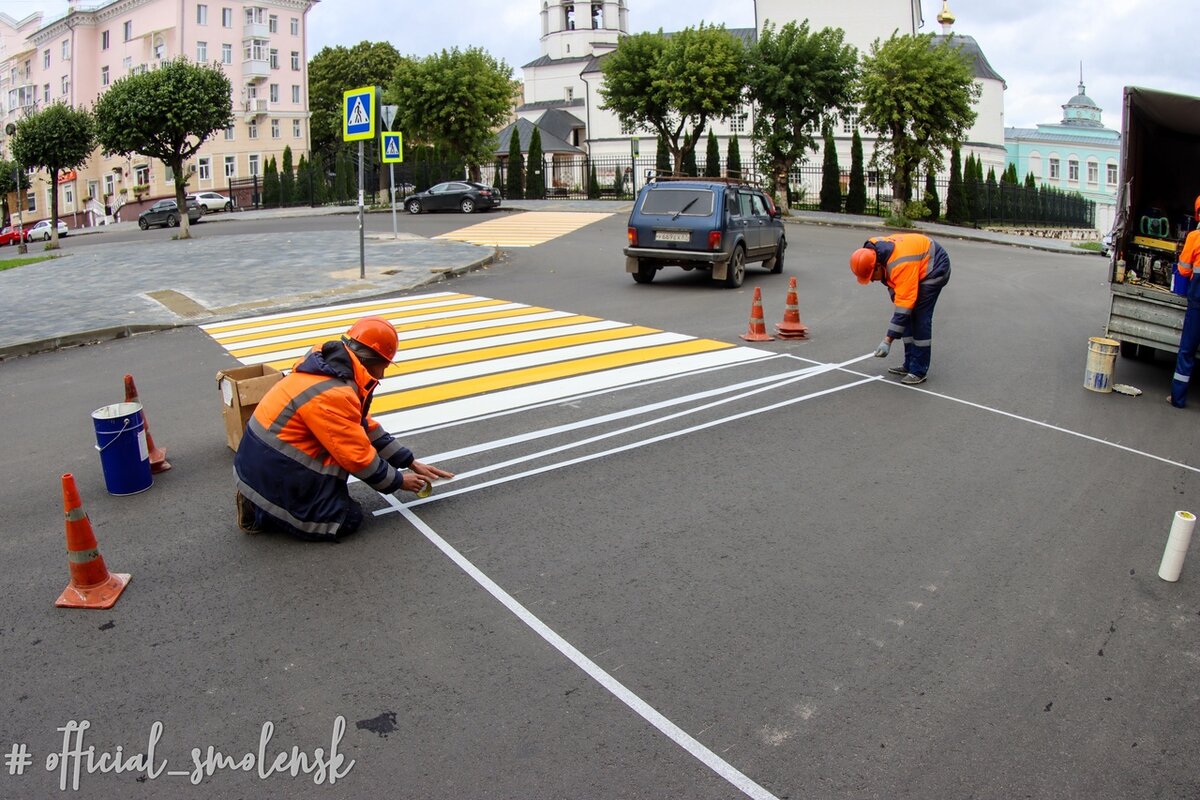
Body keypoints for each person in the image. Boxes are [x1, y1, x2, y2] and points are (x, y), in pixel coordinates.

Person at [234, 316, 454, 541]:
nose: (383, 374)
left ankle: (261, 498)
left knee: (339, 463)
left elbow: (364, 425)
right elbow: (357, 456)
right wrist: (399, 481)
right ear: (372, 359)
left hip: (260, 465)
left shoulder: (332, 372)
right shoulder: (334, 393)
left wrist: (409, 462)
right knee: (346, 519)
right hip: (272, 473)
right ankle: (261, 509)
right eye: (384, 366)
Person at [849, 233, 952, 385]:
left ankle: (918, 370)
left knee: (919, 317)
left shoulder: (899, 265)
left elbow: (904, 305)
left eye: (871, 276)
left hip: (934, 267)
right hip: (915, 264)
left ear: (877, 266)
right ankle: (909, 364)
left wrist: (887, 340)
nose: (871, 280)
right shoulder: (875, 253)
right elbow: (893, 288)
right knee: (906, 316)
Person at [1168, 195, 1200, 408]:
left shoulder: (1195, 237)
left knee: (1187, 350)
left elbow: (1183, 269)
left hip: (1198, 297)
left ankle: (1178, 399)